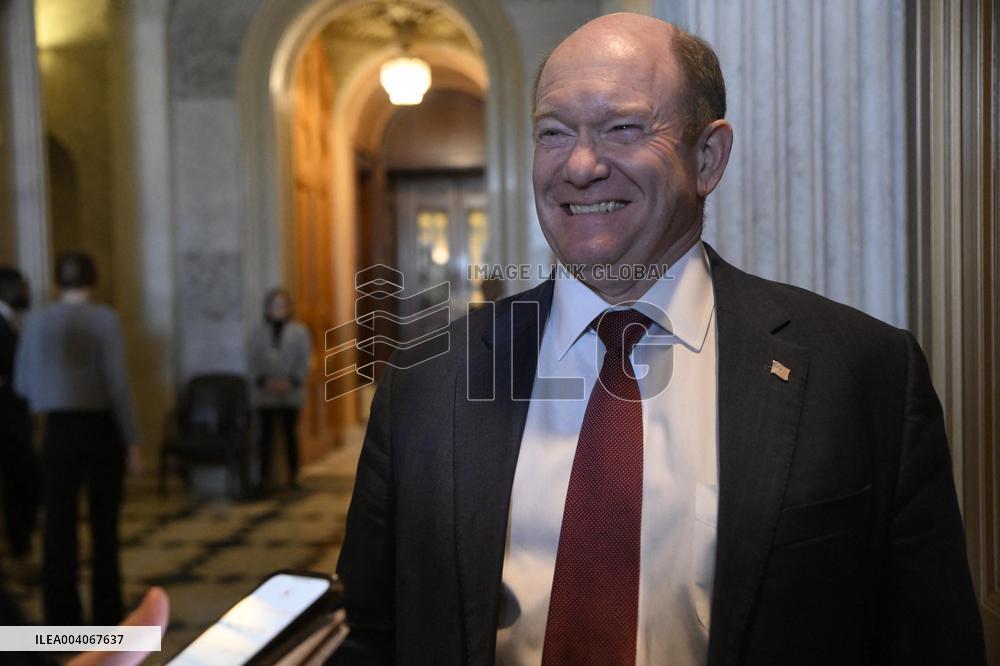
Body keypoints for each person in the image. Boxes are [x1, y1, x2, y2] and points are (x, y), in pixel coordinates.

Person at [332, 13, 986, 666]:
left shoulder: (864, 374)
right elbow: (374, 633)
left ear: (708, 157)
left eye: (623, 128)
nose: (580, 165)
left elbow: (931, 642)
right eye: (553, 133)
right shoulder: (428, 378)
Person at [13, 253, 141, 626]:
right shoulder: (104, 319)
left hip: (57, 430)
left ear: (56, 283)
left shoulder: (37, 321)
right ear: (94, 279)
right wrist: (133, 441)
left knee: (57, 526)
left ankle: (61, 621)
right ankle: (107, 617)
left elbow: (22, 383)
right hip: (101, 429)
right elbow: (117, 385)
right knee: (104, 528)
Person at [249, 288, 311, 490]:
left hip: (290, 390)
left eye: (282, 305)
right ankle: (263, 477)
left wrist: (290, 381)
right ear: (268, 308)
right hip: (265, 391)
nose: (278, 309)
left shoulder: (299, 331)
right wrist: (264, 381)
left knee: (290, 434)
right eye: (274, 305)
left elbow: (304, 360)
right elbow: (253, 359)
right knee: (265, 436)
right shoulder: (259, 332)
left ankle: (294, 476)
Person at [0, 268, 39, 578]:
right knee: (15, 483)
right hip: (6, 419)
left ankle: (23, 544)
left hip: (18, 417)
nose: (26, 291)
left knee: (24, 482)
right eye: (21, 287)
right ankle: (18, 548)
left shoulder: (17, 321)